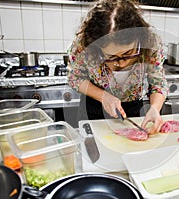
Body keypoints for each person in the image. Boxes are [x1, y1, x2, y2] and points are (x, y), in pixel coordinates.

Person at [67, 0, 168, 134]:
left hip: (133, 109)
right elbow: (75, 78)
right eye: (111, 57)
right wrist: (103, 96)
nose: (121, 63)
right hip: (93, 108)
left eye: (128, 53)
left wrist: (155, 108)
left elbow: (158, 83)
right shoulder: (83, 45)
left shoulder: (151, 43)